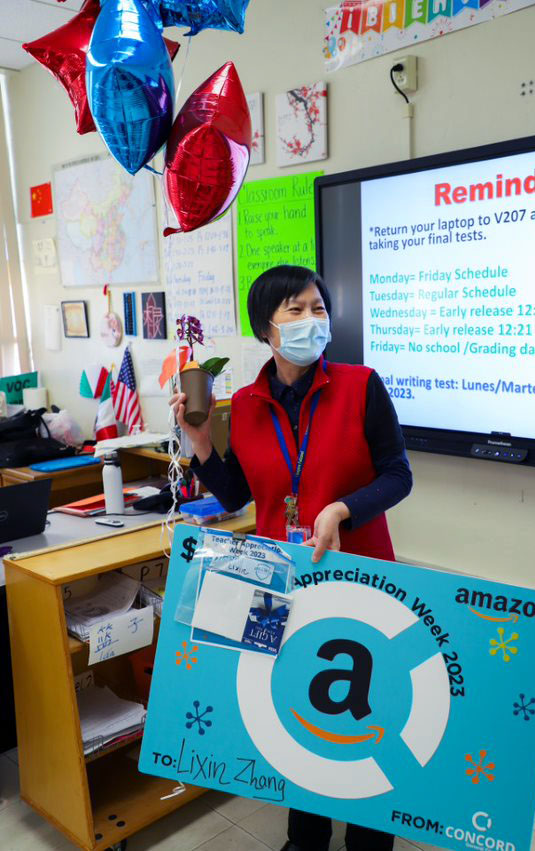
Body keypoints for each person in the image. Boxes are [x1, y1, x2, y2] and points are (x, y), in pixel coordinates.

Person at [170, 265, 412, 851]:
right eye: (295, 311)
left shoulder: (361, 384)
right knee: (292, 711)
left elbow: (398, 476)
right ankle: (305, 837)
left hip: (362, 574)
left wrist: (341, 510)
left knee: (361, 712)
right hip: (276, 582)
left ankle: (368, 838)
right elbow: (235, 495)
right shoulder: (247, 403)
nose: (312, 320)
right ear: (266, 329)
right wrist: (200, 445)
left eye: (319, 308)